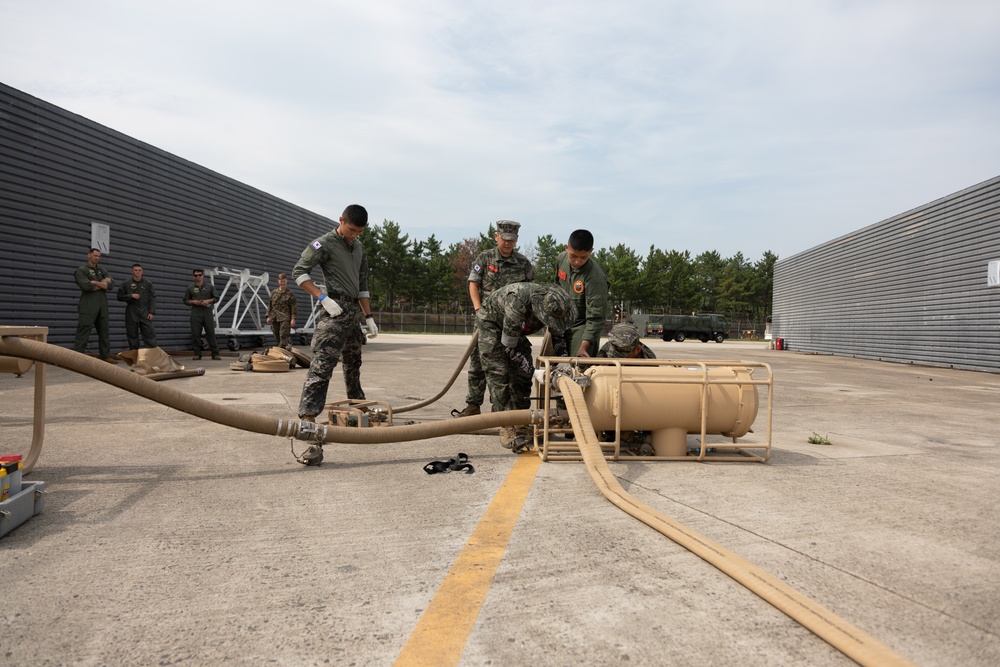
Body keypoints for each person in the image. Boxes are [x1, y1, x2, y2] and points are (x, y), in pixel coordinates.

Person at [292, 204, 378, 427]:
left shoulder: (358, 248)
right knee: (323, 363)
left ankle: (357, 404)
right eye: (351, 230)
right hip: (334, 308)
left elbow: (362, 285)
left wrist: (368, 316)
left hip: (353, 312)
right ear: (341, 220)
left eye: (359, 232)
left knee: (353, 362)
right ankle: (308, 415)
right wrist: (323, 298)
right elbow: (299, 272)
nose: (354, 235)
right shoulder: (324, 244)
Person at [477, 282, 576, 451]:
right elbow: (510, 349)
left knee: (522, 377)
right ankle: (505, 424)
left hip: (517, 330)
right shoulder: (517, 304)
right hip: (493, 323)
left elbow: (558, 337)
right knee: (499, 373)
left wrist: (565, 364)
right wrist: (534, 371)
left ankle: (522, 421)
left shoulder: (558, 305)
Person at [453, 220, 535, 418]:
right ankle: (473, 405)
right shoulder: (485, 257)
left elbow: (531, 292)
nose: (507, 243)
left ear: (516, 240)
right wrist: (478, 308)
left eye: (512, 240)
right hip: (486, 320)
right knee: (478, 363)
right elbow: (473, 283)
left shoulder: (523, 263)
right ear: (496, 237)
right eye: (504, 239)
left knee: (510, 365)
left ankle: (504, 409)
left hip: (512, 323)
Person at [554, 229, 610, 358]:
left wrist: (584, 346)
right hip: (560, 321)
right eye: (573, 256)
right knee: (548, 364)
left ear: (591, 251)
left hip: (582, 325)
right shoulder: (561, 259)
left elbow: (595, 318)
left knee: (579, 368)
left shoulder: (595, 279)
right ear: (566, 248)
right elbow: (556, 288)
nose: (577, 261)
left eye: (583, 257)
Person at [73, 248, 116, 362]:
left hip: (102, 306)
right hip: (88, 305)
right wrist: (103, 283)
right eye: (95, 255)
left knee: (104, 331)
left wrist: (95, 282)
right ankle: (76, 358)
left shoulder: (102, 270)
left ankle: (105, 356)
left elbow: (111, 285)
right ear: (89, 255)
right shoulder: (82, 270)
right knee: (84, 331)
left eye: (99, 256)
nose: (97, 258)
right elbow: (86, 287)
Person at [116, 263, 157, 350]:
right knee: (132, 334)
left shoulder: (148, 284)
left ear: (142, 272)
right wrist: (130, 296)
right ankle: (135, 356)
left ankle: (152, 355)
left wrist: (151, 312)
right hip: (131, 310)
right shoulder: (126, 283)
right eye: (135, 270)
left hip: (144, 310)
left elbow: (152, 298)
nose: (137, 272)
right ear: (132, 271)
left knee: (149, 332)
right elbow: (119, 296)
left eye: (139, 270)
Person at [183, 269, 221, 360]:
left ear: (203, 275)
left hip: (207, 311)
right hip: (196, 311)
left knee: (210, 333)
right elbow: (185, 300)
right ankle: (197, 353)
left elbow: (216, 298)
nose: (198, 277)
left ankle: (215, 353)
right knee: (196, 333)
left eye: (200, 275)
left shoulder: (209, 287)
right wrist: (193, 301)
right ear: (194, 276)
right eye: (196, 275)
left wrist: (208, 301)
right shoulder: (190, 288)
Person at [266, 273, 297, 350]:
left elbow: (293, 307)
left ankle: (282, 350)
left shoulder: (290, 293)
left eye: (284, 281)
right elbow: (270, 305)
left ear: (286, 281)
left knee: (283, 335)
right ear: (278, 281)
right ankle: (282, 349)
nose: (282, 283)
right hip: (275, 317)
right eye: (281, 281)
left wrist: (293, 318)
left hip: (285, 317)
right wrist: (268, 316)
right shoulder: (274, 293)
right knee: (276, 335)